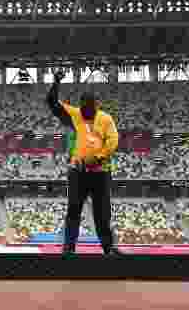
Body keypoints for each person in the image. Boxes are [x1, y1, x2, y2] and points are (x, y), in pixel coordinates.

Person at [46, 70, 122, 256]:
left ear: (97, 105)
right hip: (78, 172)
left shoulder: (105, 119)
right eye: (84, 108)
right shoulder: (75, 114)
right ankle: (69, 250)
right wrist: (56, 82)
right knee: (73, 212)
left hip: (100, 172)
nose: (87, 112)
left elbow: (113, 142)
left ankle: (109, 249)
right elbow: (52, 103)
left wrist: (96, 158)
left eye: (91, 108)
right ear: (80, 106)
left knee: (102, 215)